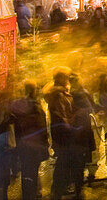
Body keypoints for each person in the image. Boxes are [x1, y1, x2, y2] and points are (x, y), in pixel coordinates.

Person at [10, 81, 49, 200]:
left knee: (26, 171)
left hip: (22, 144)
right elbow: (42, 127)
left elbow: (14, 126)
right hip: (35, 144)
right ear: (33, 91)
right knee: (33, 170)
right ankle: (32, 194)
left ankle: (27, 195)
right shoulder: (36, 106)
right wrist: (45, 143)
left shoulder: (16, 105)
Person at [44, 70, 77, 200]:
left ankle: (60, 188)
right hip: (63, 134)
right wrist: (70, 124)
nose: (68, 79)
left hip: (63, 133)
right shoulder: (57, 95)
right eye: (66, 77)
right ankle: (57, 189)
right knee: (63, 161)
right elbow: (61, 115)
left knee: (65, 161)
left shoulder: (61, 94)